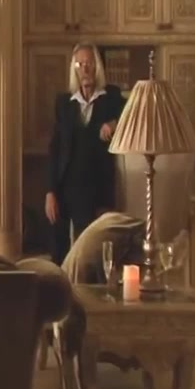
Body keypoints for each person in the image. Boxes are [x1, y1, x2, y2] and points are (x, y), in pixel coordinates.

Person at [43, 42, 127, 264]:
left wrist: (114, 123)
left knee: (89, 252)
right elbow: (54, 149)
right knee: (58, 250)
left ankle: (86, 284)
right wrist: (50, 191)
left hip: (95, 187)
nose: (85, 69)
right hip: (65, 186)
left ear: (97, 67)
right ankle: (59, 282)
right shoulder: (64, 103)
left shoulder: (111, 97)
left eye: (89, 63)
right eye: (80, 64)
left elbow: (134, 113)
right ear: (75, 69)